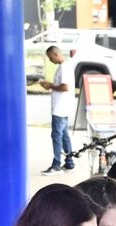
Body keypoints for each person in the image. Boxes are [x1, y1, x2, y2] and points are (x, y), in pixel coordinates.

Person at [40, 46, 75, 174]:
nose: (50, 60)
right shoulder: (65, 66)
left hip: (60, 108)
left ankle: (56, 164)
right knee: (64, 134)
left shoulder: (64, 67)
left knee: (56, 135)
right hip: (63, 107)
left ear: (55, 54)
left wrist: (50, 86)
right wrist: (51, 86)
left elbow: (65, 87)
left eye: (50, 57)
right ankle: (69, 161)